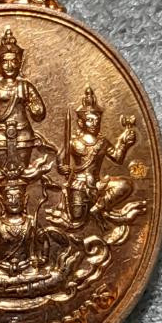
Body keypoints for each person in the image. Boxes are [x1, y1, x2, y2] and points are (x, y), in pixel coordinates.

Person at [57, 87, 136, 224]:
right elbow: (60, 157)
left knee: (125, 185)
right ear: (80, 123)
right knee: (77, 217)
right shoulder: (74, 142)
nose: (94, 124)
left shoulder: (102, 142)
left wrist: (125, 143)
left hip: (98, 183)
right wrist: (61, 167)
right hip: (79, 183)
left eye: (97, 120)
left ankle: (98, 207)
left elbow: (117, 158)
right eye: (89, 120)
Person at [0, 28, 46, 170]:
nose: (9, 66)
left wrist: (35, 107)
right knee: (2, 172)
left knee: (22, 172)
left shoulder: (25, 86)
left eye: (13, 61)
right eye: (5, 62)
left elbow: (39, 113)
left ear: (20, 63)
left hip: (23, 133)